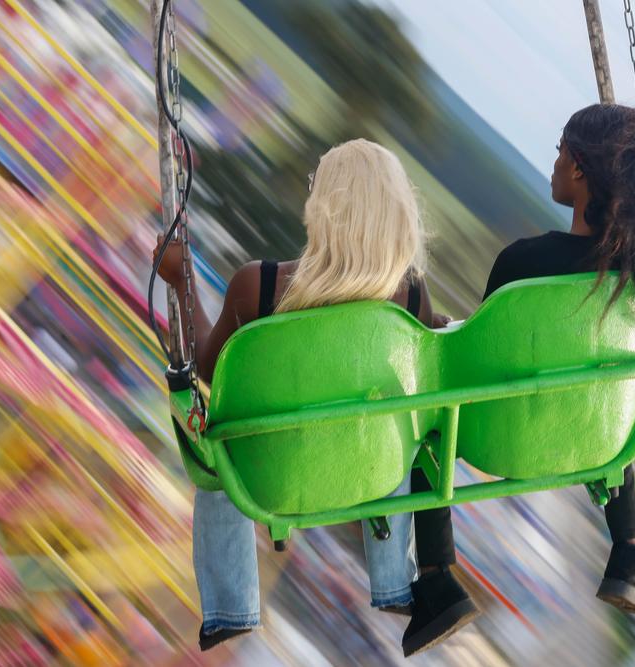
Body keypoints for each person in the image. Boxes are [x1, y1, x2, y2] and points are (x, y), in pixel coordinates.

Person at [407, 103, 635, 631]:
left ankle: (438, 581)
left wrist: (440, 329)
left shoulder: (522, 265)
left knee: (427, 426)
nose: (552, 162)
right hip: (592, 441)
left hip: (496, 440)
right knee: (608, 396)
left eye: (559, 151)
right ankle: (629, 554)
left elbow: (477, 365)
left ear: (578, 167)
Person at [154, 139, 478, 652]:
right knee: (410, 429)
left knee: (218, 443)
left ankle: (231, 605)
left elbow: (209, 370)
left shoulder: (257, 288)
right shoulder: (411, 296)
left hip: (271, 479)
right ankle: (395, 581)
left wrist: (182, 281)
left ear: (325, 206)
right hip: (370, 475)